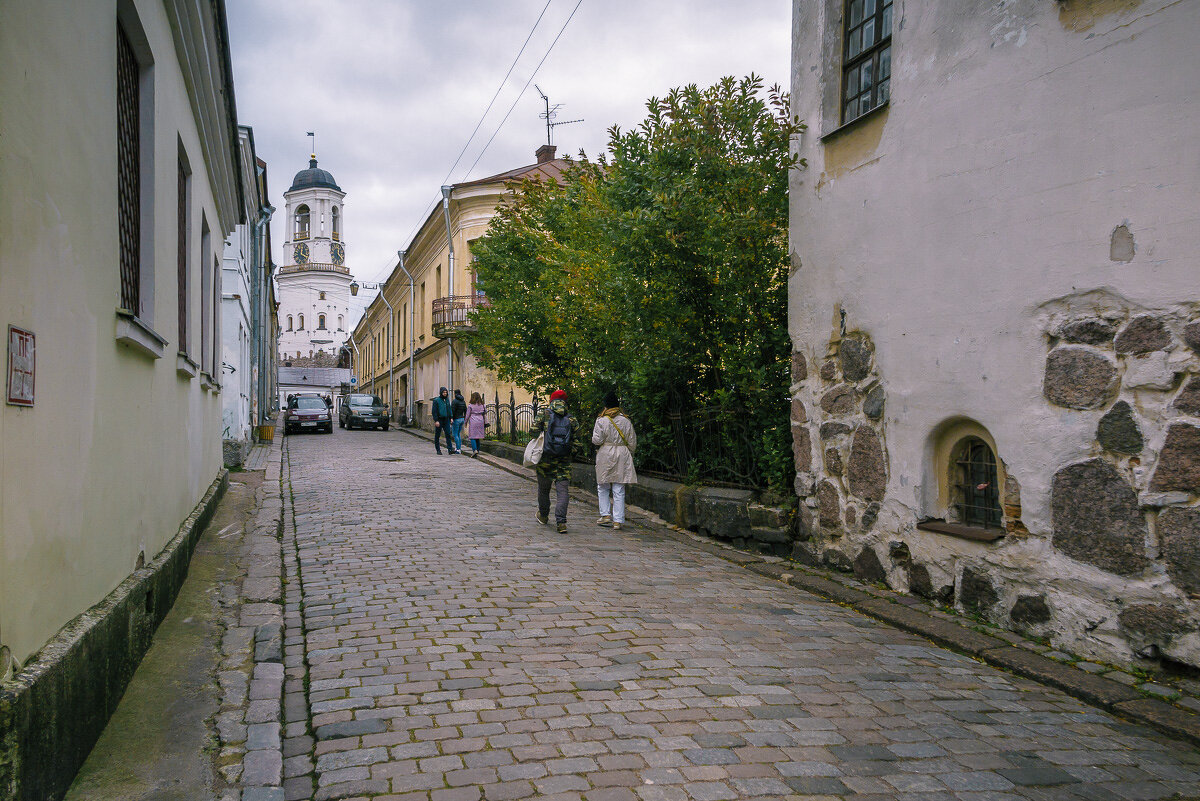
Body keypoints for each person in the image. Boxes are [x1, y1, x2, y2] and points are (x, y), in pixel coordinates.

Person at [529, 389, 578, 533]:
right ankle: (561, 522)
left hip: (545, 459)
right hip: (563, 461)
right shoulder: (571, 419)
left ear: (551, 400)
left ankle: (543, 516)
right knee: (563, 491)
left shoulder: (544, 415)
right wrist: (569, 455)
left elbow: (532, 432)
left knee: (544, 489)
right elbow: (578, 443)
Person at [592, 391, 637, 530]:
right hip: (622, 452)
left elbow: (596, 440)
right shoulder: (626, 420)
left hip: (606, 452)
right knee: (619, 487)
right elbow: (632, 441)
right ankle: (618, 520)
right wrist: (629, 452)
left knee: (603, 485)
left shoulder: (601, 420)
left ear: (605, 406)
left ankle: (605, 515)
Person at [431, 387, 456, 454]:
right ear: (441, 393)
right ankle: (438, 450)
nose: (445, 393)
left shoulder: (447, 400)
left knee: (448, 434)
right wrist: (436, 420)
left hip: (446, 419)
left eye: (446, 392)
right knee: (437, 435)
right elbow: (434, 411)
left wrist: (451, 417)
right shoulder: (436, 400)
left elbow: (449, 409)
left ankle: (450, 449)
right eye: (443, 392)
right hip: (439, 419)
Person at [465, 392, 487, 457]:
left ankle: (474, 450)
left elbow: (467, 415)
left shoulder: (470, 405)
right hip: (480, 420)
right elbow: (485, 411)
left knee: (472, 436)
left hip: (473, 420)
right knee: (478, 437)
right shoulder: (483, 405)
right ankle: (478, 450)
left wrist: (465, 422)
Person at [451, 390, 468, 455]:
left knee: (455, 434)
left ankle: (458, 449)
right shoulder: (463, 401)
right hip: (462, 419)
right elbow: (465, 410)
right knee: (458, 434)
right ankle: (458, 448)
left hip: (456, 419)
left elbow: (452, 410)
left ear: (455, 394)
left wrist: (451, 418)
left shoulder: (455, 401)